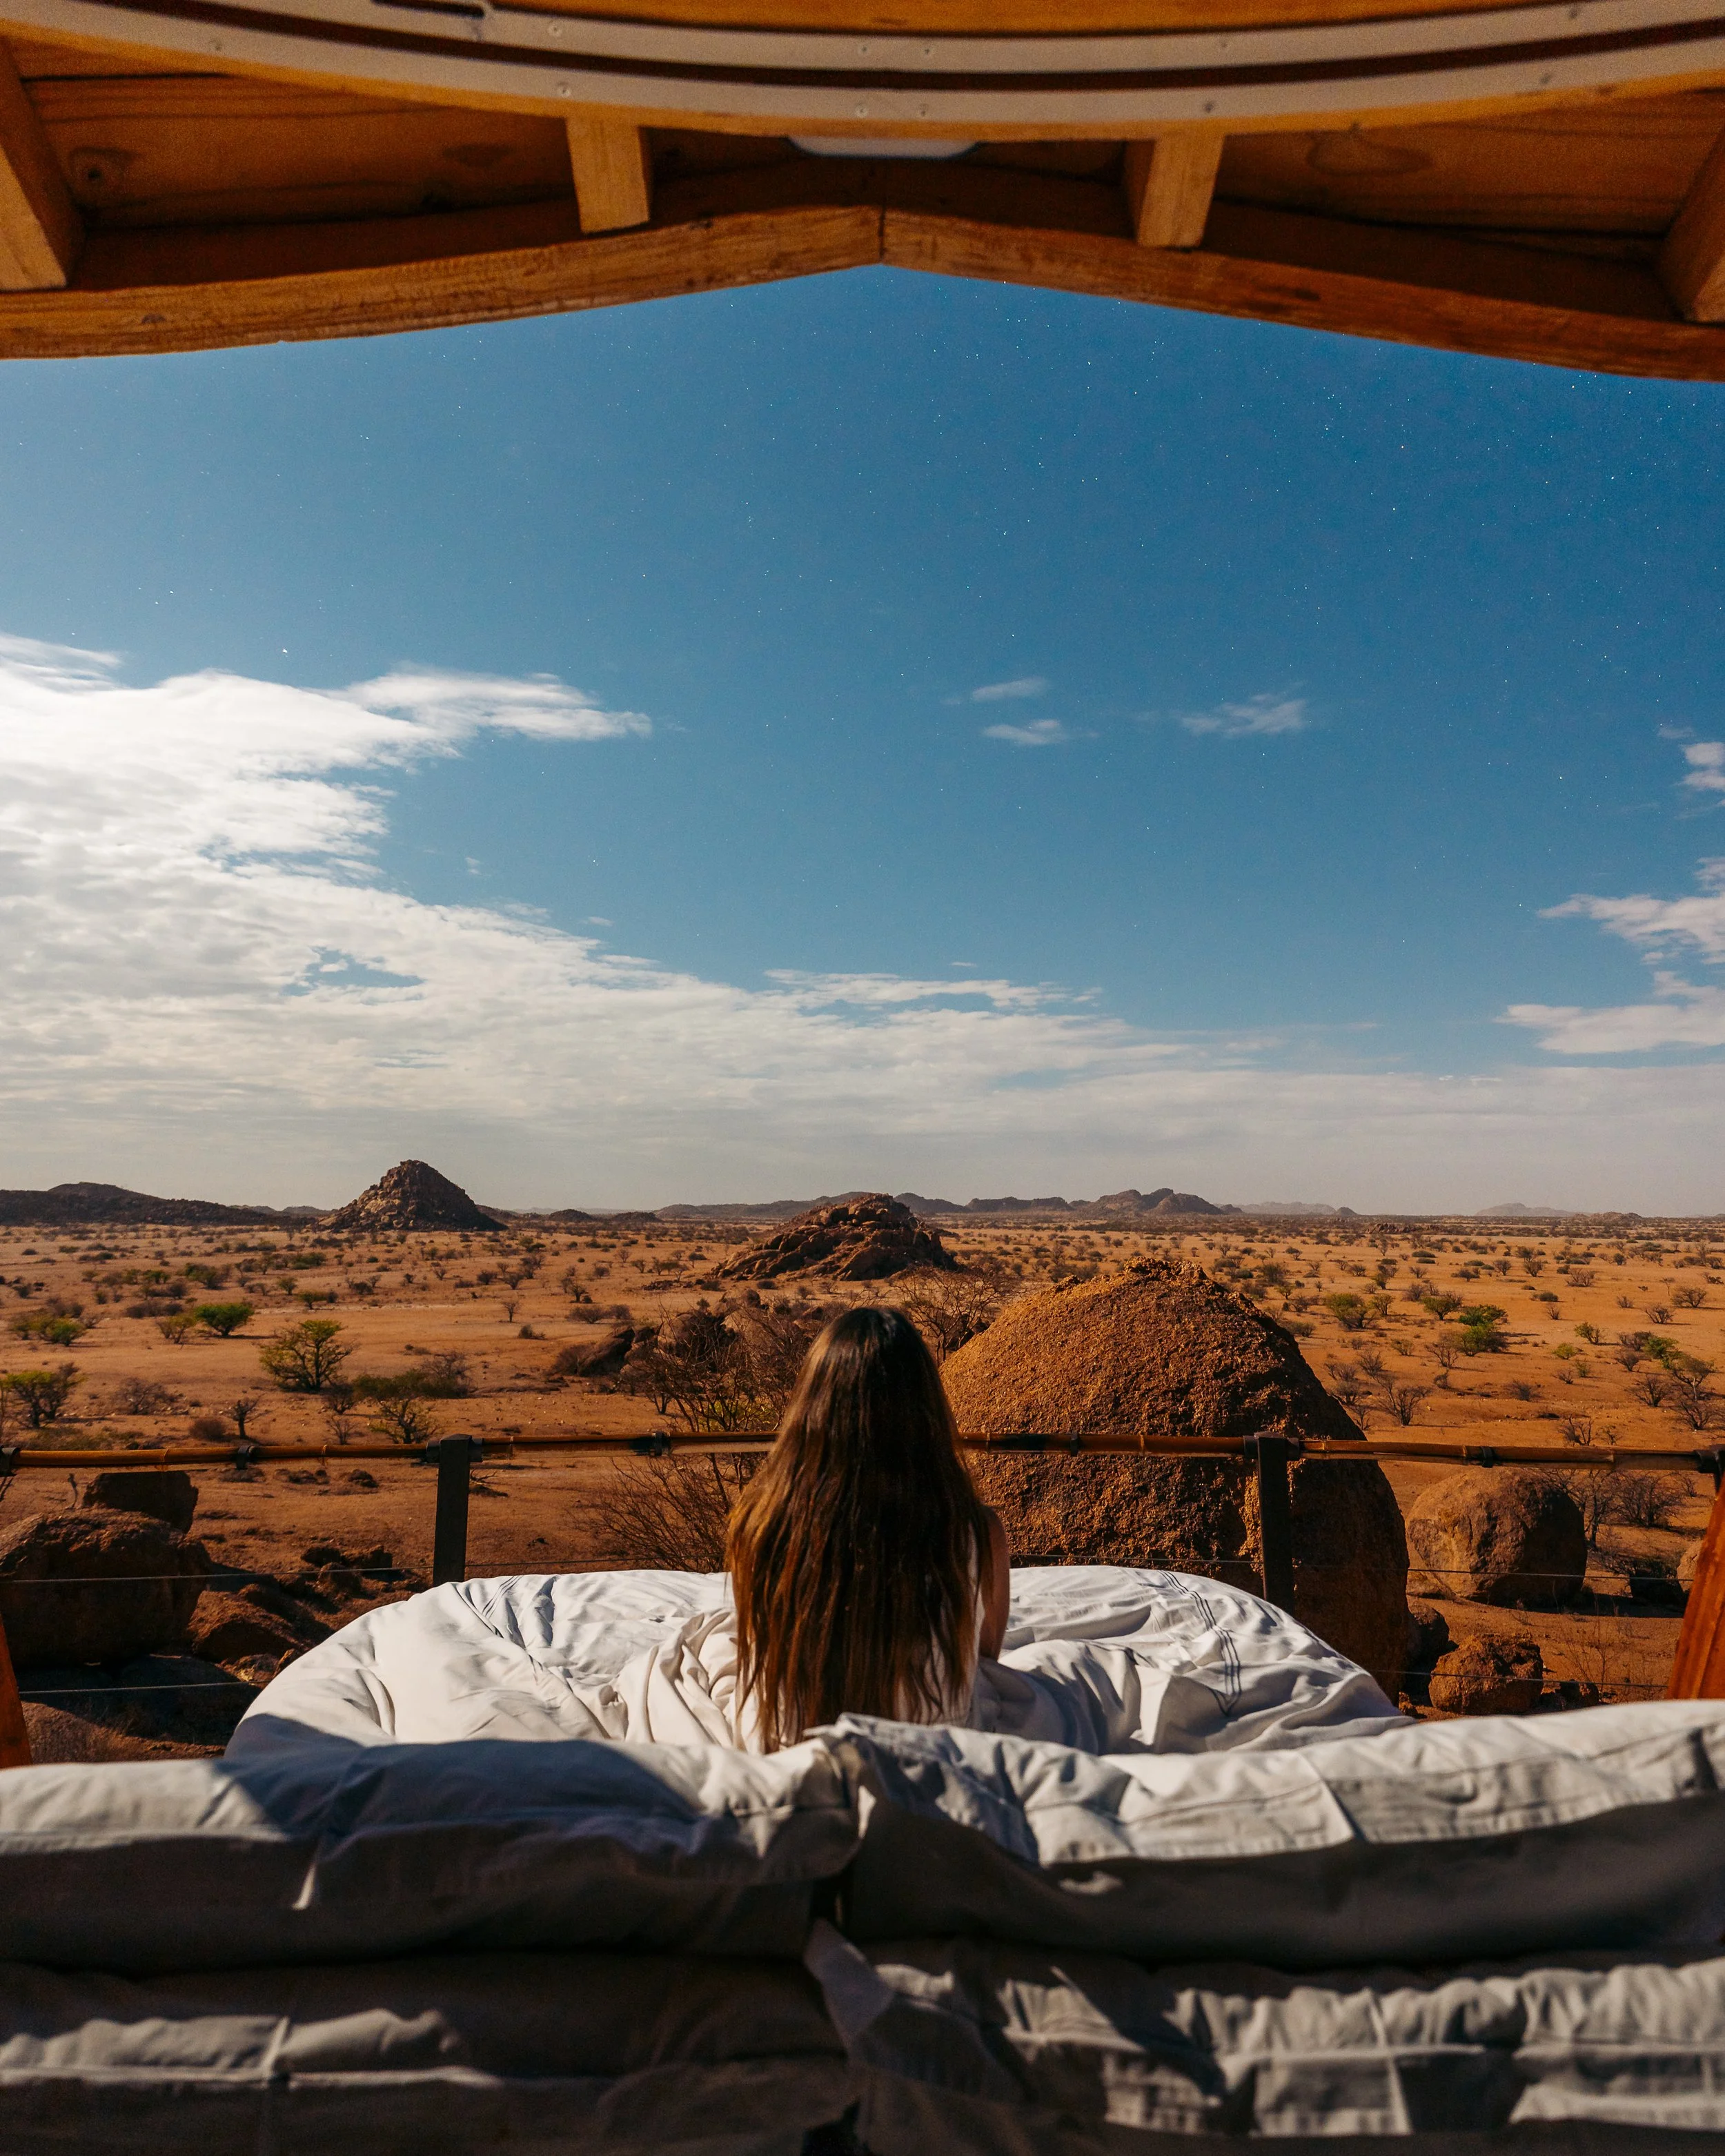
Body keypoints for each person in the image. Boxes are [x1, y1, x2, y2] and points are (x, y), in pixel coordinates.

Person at [726, 1305, 1009, 1752]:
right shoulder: (976, 1530)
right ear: (926, 1410)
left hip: (791, 1743)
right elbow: (985, 1656)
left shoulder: (761, 1524)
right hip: (936, 1747)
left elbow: (762, 1644)